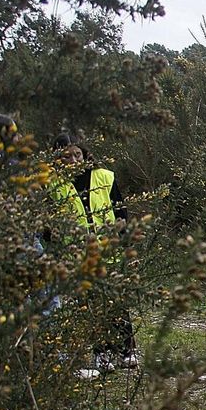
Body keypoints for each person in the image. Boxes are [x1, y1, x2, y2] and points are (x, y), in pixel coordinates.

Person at [52, 132, 134, 368]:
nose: (74, 161)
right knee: (92, 304)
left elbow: (121, 211)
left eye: (77, 155)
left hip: (109, 249)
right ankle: (102, 353)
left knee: (117, 301)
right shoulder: (54, 184)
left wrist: (123, 237)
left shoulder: (104, 176)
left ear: (86, 154)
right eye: (67, 157)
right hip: (78, 254)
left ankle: (126, 351)